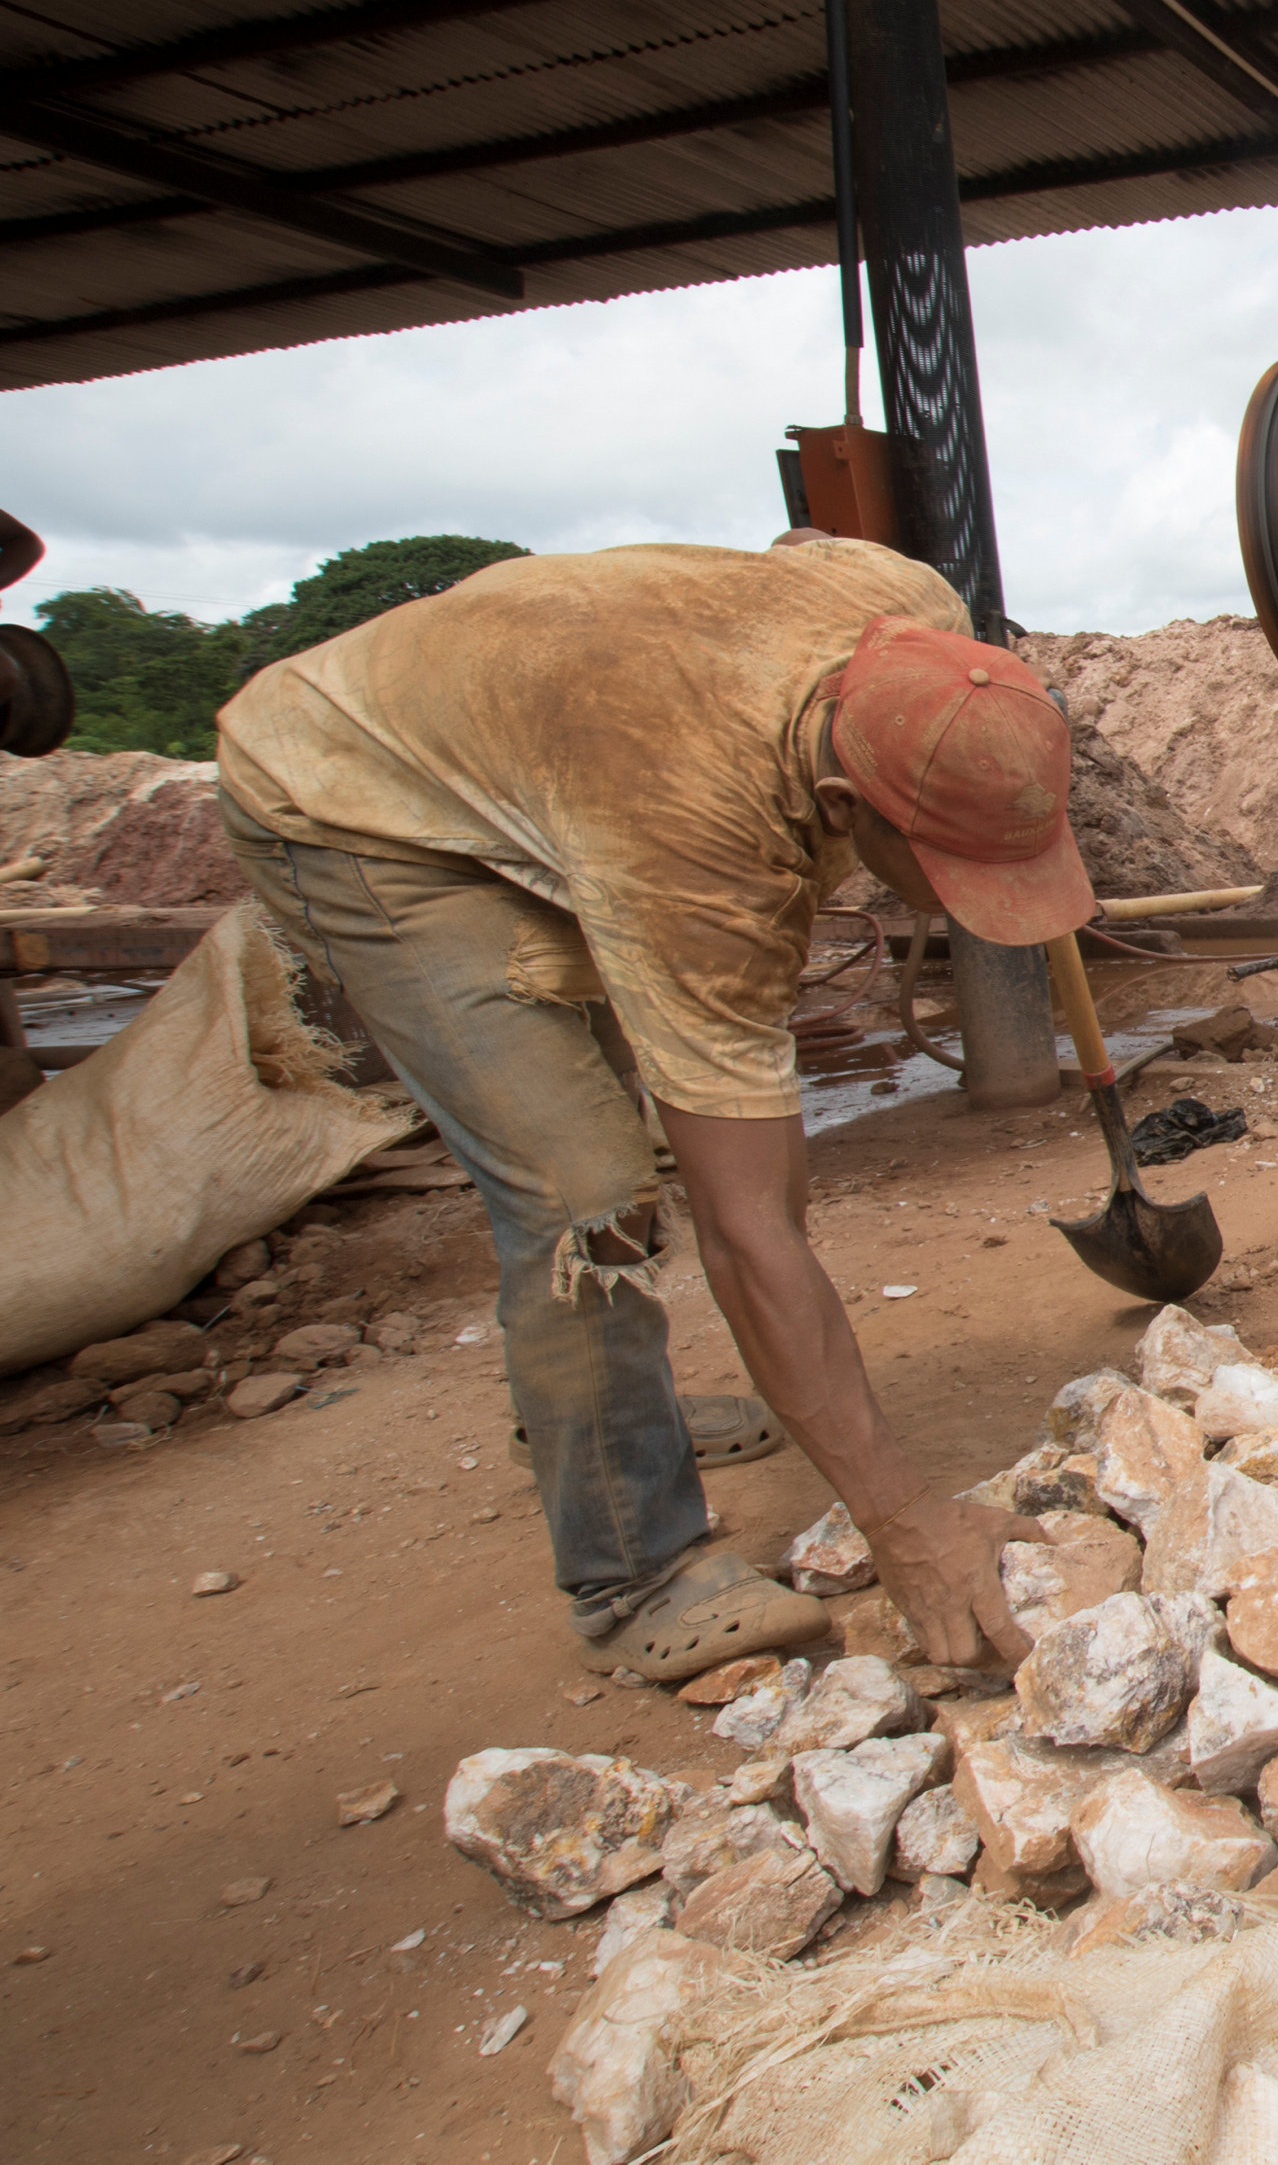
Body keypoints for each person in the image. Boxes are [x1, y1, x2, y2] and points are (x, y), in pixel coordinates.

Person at [216, 537, 1081, 1682]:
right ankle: (634, 1575)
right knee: (586, 1190)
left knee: (651, 1103)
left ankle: (617, 1405)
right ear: (839, 805)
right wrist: (905, 1519)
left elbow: (796, 554)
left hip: (545, 741)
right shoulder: (690, 844)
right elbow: (748, 1227)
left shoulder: (913, 610)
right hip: (352, 803)